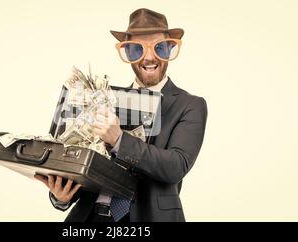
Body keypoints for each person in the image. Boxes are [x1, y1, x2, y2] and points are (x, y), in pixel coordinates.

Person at [34, 8, 207, 222]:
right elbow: (89, 165)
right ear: (127, 54)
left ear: (170, 49)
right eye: (137, 50)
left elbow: (176, 166)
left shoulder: (189, 104)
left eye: (160, 48)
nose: (150, 57)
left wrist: (118, 139)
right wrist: (62, 195)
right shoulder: (106, 101)